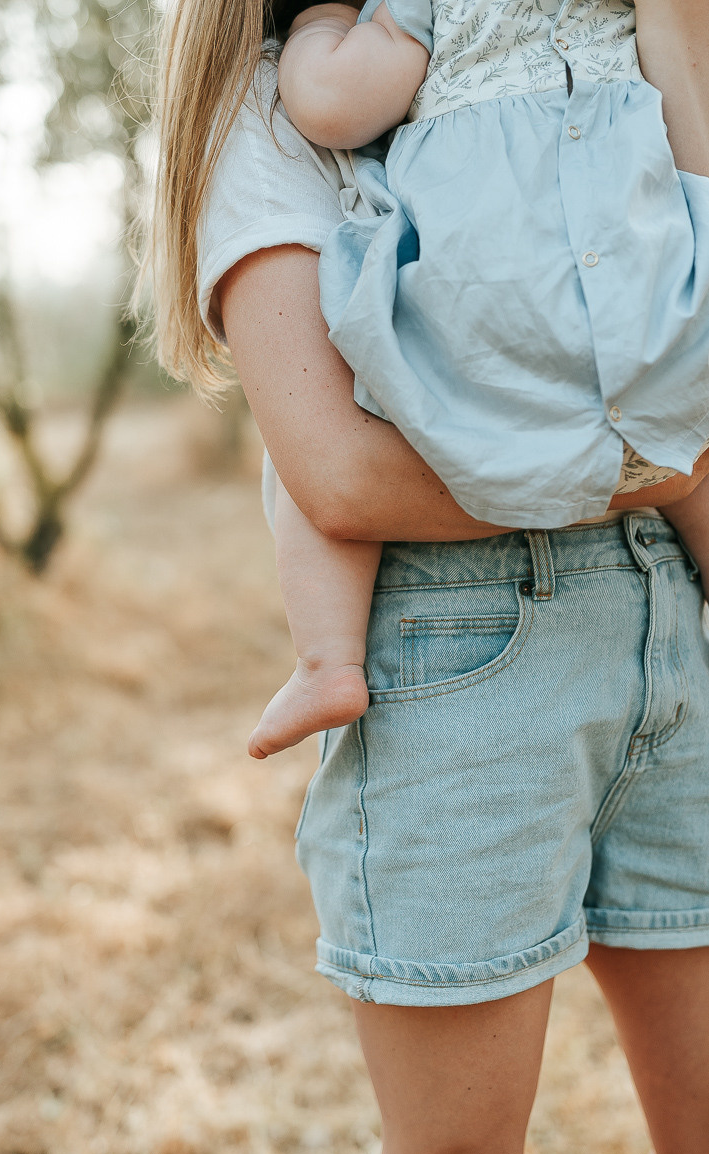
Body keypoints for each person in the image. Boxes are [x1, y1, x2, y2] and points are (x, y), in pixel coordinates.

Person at [142, 0, 709, 1154]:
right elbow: (341, 475)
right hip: (461, 648)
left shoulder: (599, 35)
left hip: (673, 612)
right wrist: (661, 463)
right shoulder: (274, 100)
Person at [246, 0, 709, 759]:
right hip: (644, 294)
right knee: (678, 417)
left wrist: (317, 26)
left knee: (364, 388)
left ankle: (327, 660)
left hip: (491, 305)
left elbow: (332, 104)